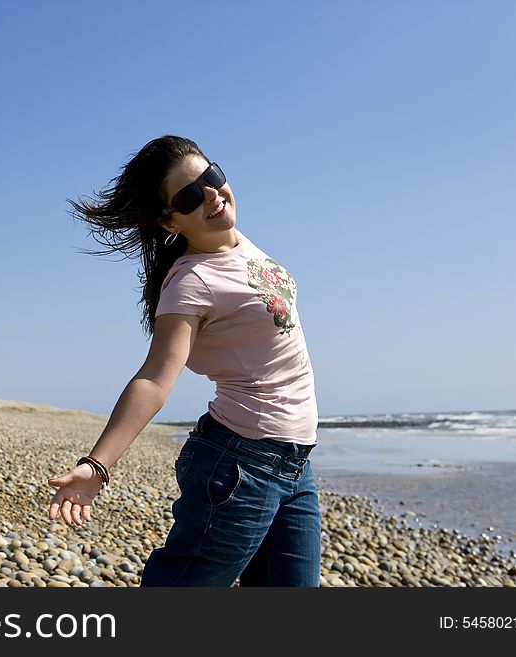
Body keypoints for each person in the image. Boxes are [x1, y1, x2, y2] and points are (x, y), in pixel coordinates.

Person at [46, 135, 321, 587]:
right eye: (191, 196)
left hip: (294, 464)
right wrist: (97, 465)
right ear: (169, 221)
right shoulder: (190, 283)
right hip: (241, 468)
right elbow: (155, 378)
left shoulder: (236, 243)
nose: (212, 195)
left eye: (212, 177)